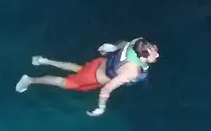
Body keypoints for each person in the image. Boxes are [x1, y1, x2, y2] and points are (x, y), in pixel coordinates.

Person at [17, 38, 160, 116]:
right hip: (94, 78)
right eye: (154, 54)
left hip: (99, 64)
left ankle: (43, 60)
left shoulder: (137, 42)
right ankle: (30, 80)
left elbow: (124, 44)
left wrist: (112, 47)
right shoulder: (132, 71)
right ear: (143, 56)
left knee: (79, 69)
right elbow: (106, 89)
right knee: (64, 82)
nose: (157, 54)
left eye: (155, 49)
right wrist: (101, 108)